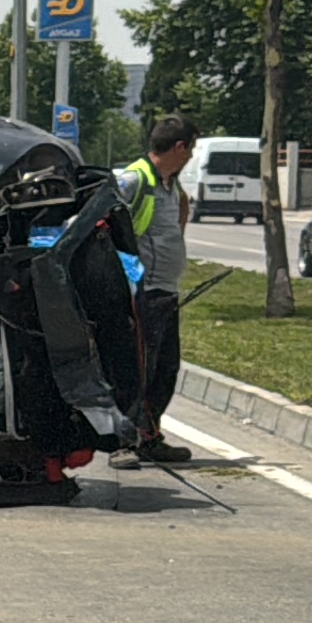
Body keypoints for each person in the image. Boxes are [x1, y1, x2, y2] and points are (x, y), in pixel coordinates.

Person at [110, 115, 199, 467]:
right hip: (141, 293)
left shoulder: (169, 185)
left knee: (165, 369)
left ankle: (149, 436)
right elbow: (105, 229)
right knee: (136, 370)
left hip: (165, 291)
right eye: (190, 148)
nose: (191, 156)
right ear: (179, 147)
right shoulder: (134, 180)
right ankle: (122, 442)